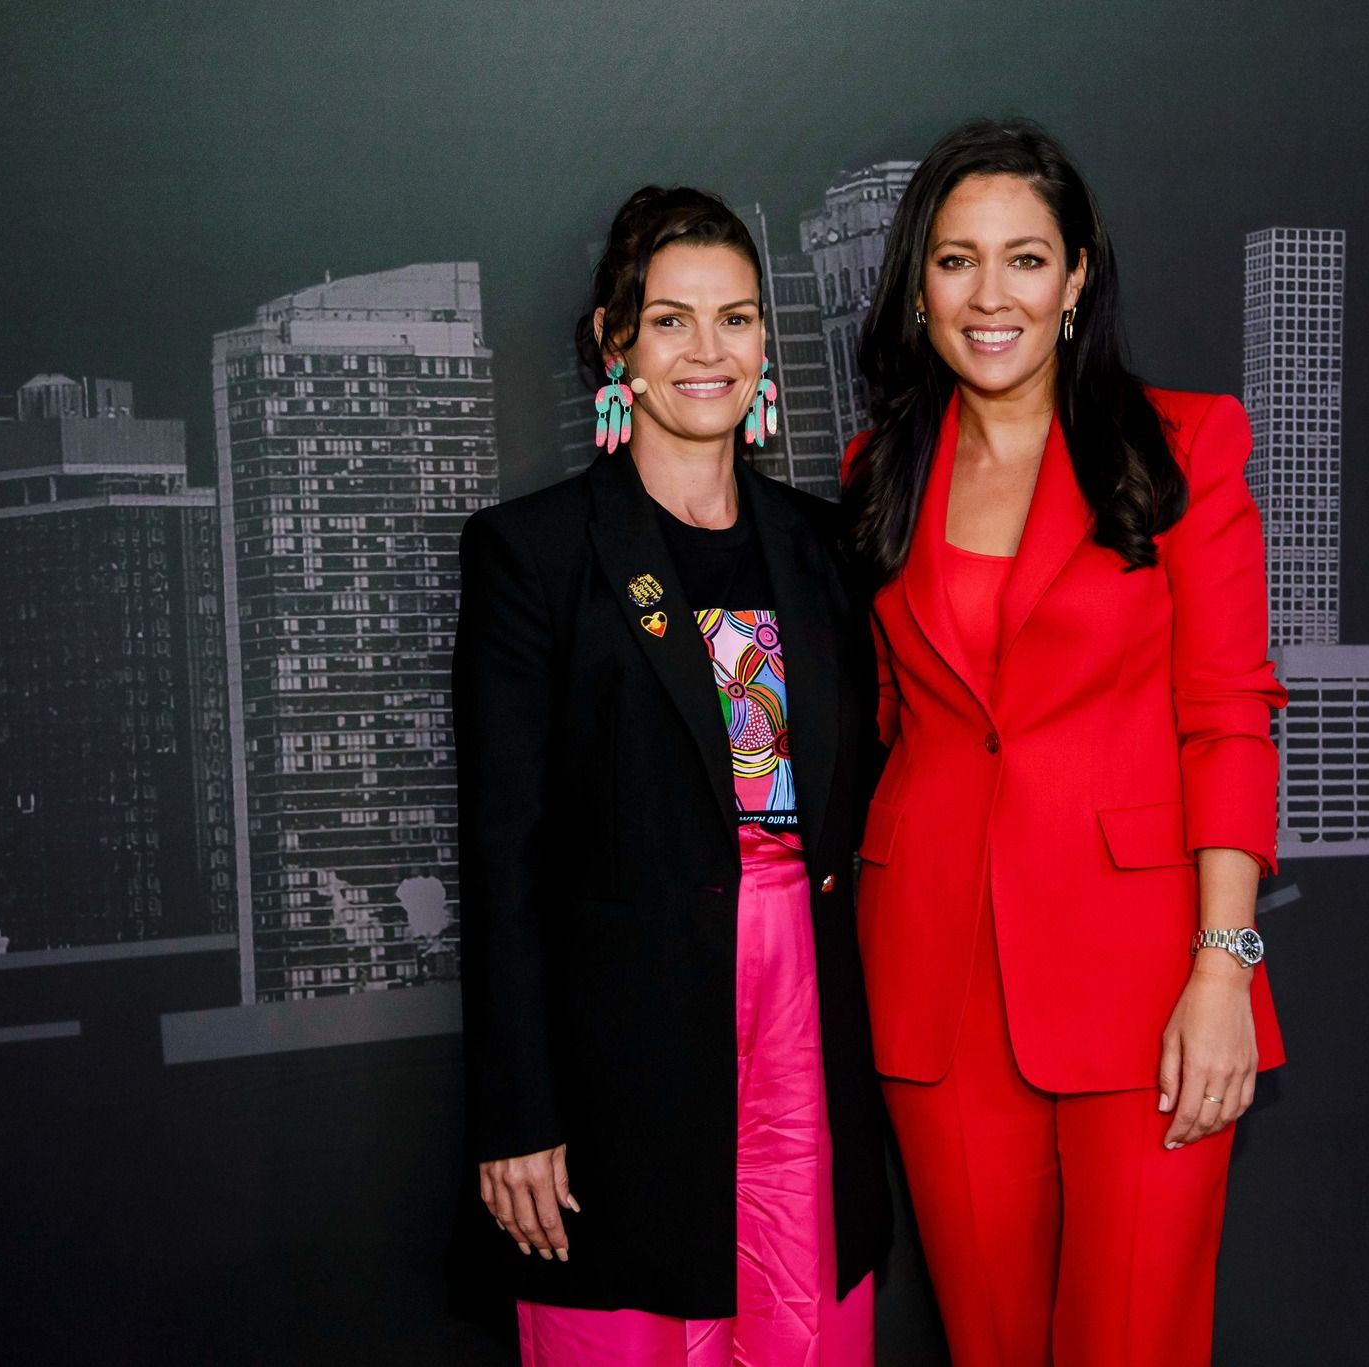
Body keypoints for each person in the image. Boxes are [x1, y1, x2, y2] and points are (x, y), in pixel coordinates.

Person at [840, 119, 1288, 1367]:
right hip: (935, 984)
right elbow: (869, 724)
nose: (990, 296)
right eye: (956, 260)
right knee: (985, 1342)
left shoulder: (1183, 445)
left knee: (1133, 1338)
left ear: (1077, 275)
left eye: (1025, 259)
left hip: (1149, 984)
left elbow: (1227, 715)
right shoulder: (877, 470)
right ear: (917, 285)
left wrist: (1221, 970)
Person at [452, 185, 888, 1367]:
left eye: (736, 318)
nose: (709, 350)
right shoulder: (533, 554)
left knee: (801, 1318)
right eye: (670, 320)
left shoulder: (826, 547)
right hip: (621, 1045)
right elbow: (501, 856)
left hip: (803, 1016)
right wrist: (516, 1110)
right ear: (616, 345)